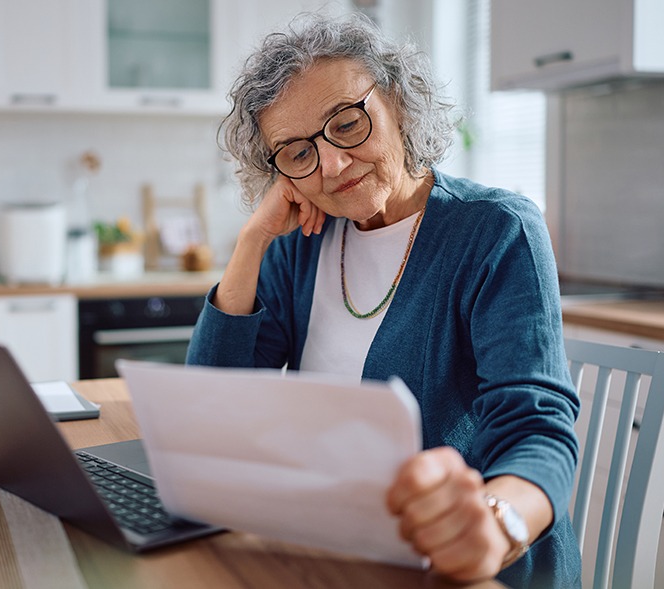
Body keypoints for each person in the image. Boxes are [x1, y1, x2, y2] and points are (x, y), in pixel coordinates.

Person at [186, 11, 581, 588]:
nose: (332, 164)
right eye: (297, 153)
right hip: (334, 548)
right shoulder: (300, 242)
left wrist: (496, 526)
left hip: (456, 567)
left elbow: (537, 426)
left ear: (397, 101)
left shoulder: (496, 230)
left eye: (347, 123)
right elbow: (213, 407)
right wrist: (253, 241)